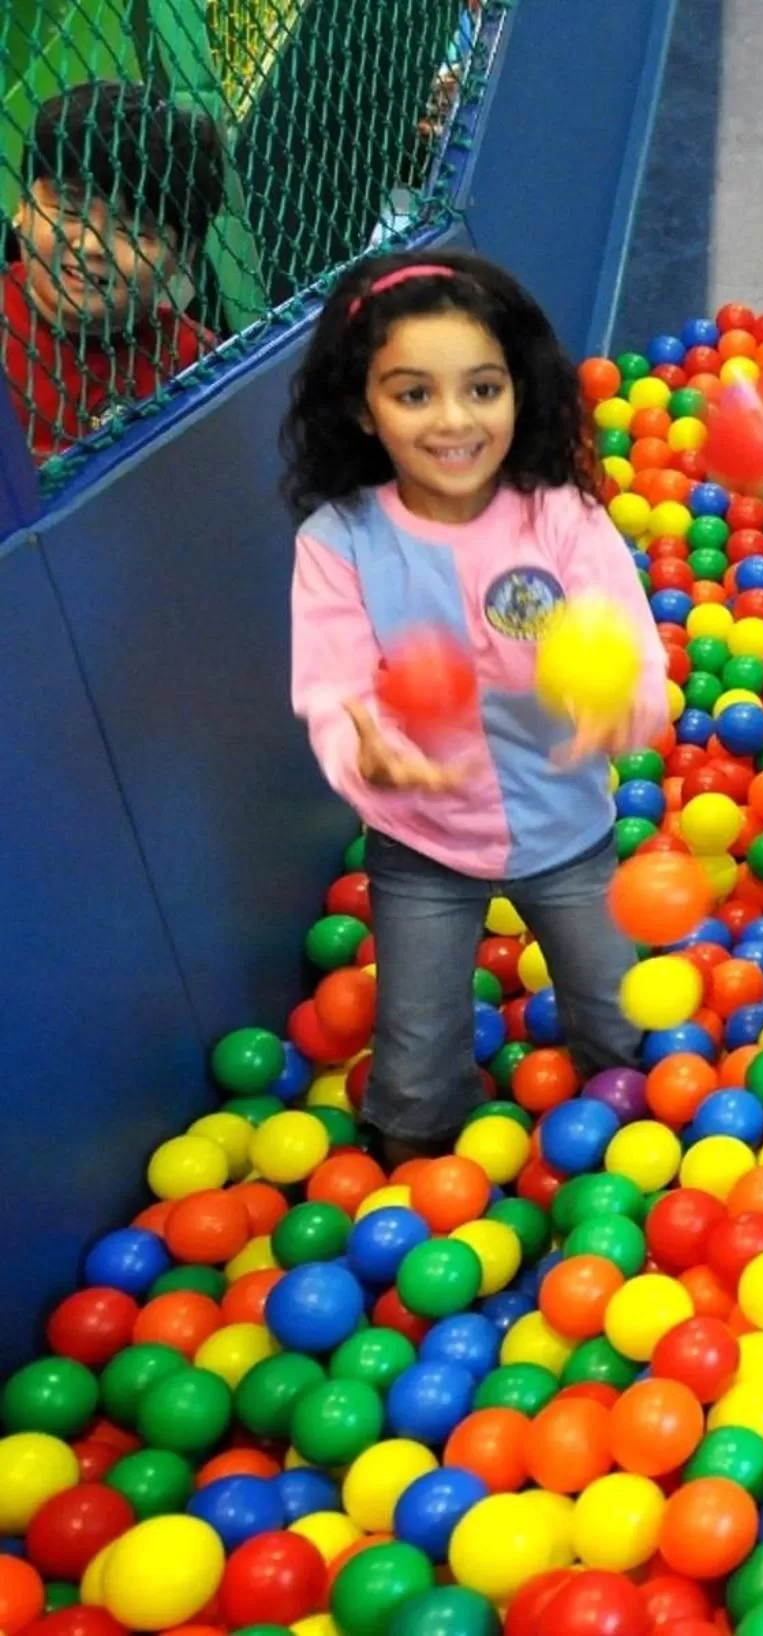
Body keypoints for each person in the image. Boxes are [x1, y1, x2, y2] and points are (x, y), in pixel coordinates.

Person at [284, 249, 668, 1161]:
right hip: (421, 844)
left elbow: (633, 651)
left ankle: (642, 1156)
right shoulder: (339, 542)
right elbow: (331, 687)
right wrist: (362, 749)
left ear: (519, 394)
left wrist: (627, 712)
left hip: (567, 824)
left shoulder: (561, 518)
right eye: (414, 395)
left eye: (483, 389)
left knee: (625, 1024)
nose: (454, 421)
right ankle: (415, 1161)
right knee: (414, 1065)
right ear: (359, 407)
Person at [3, 82, 224, 459]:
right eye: (70, 209)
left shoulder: (195, 360)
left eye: (134, 229)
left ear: (184, 255)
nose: (91, 246)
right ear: (24, 207)